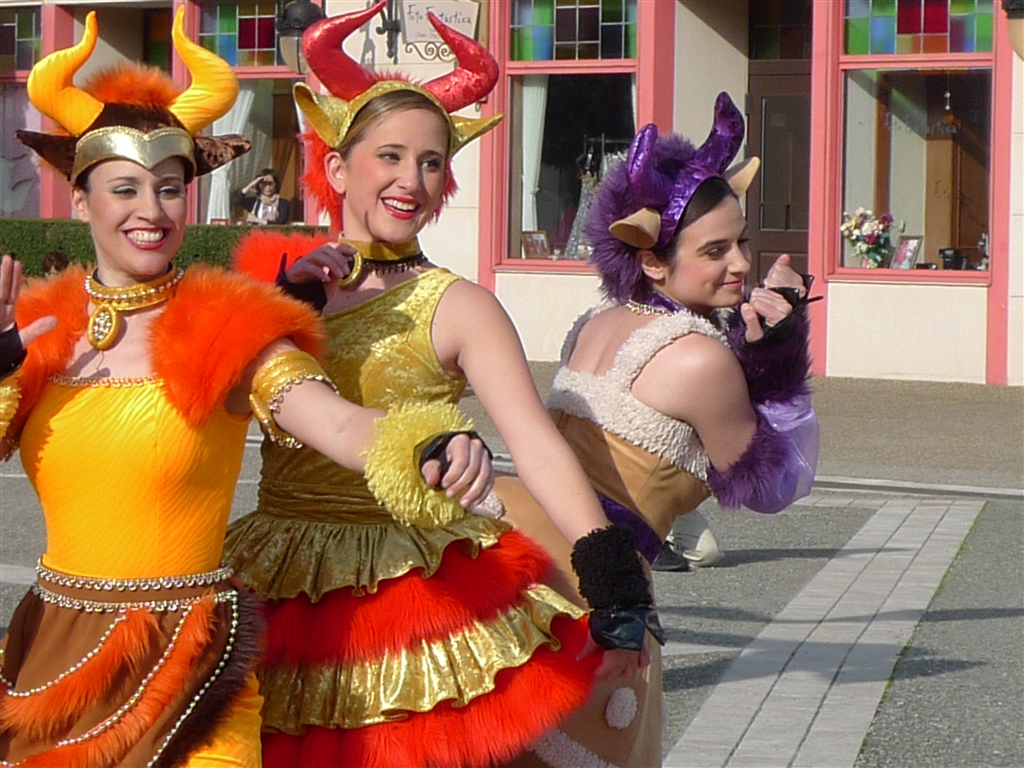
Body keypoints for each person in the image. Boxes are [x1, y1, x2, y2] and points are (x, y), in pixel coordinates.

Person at [0, 10, 491, 767]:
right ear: (80, 199)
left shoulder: (228, 322)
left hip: (194, 669)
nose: (151, 211)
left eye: (170, 189)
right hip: (53, 660)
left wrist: (428, 438)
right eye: (125, 189)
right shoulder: (35, 332)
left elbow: (334, 421)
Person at [222, 4, 662, 766]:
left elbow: (536, 448)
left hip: (406, 592)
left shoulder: (459, 306)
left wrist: (614, 581)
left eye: (431, 163)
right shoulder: (279, 286)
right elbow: (208, 407)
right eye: (390, 156)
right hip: (275, 575)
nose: (411, 181)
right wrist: (283, 307)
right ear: (336, 167)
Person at [496, 94, 820, 766]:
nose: (740, 264)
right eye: (715, 250)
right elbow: (777, 486)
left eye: (741, 242)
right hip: (594, 590)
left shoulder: (596, 323)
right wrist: (781, 358)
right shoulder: (700, 357)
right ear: (650, 260)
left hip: (516, 558)